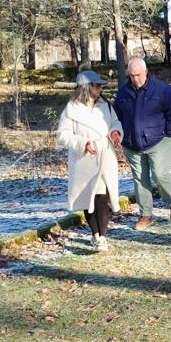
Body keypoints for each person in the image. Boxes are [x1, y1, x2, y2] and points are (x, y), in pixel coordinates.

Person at [56, 70, 123, 251]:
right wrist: (83, 143)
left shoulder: (106, 105)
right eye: (97, 85)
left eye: (101, 85)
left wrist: (116, 132)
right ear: (86, 87)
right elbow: (63, 134)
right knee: (89, 198)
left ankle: (102, 236)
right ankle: (95, 233)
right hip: (85, 160)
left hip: (105, 155)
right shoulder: (71, 109)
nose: (100, 89)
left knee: (102, 197)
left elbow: (115, 122)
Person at [113, 57, 171, 230]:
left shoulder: (161, 90)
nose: (135, 79)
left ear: (145, 72)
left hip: (159, 141)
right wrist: (118, 134)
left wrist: (170, 134)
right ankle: (146, 215)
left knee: (160, 175)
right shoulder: (123, 93)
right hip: (131, 145)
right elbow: (116, 116)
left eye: (138, 75)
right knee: (140, 180)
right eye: (131, 75)